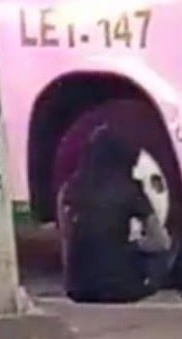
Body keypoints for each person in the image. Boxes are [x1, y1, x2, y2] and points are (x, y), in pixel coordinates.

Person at [58, 126, 172, 304]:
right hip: (119, 289)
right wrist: (134, 245)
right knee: (162, 254)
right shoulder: (130, 188)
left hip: (77, 289)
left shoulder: (69, 188)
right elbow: (161, 242)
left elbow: (66, 237)